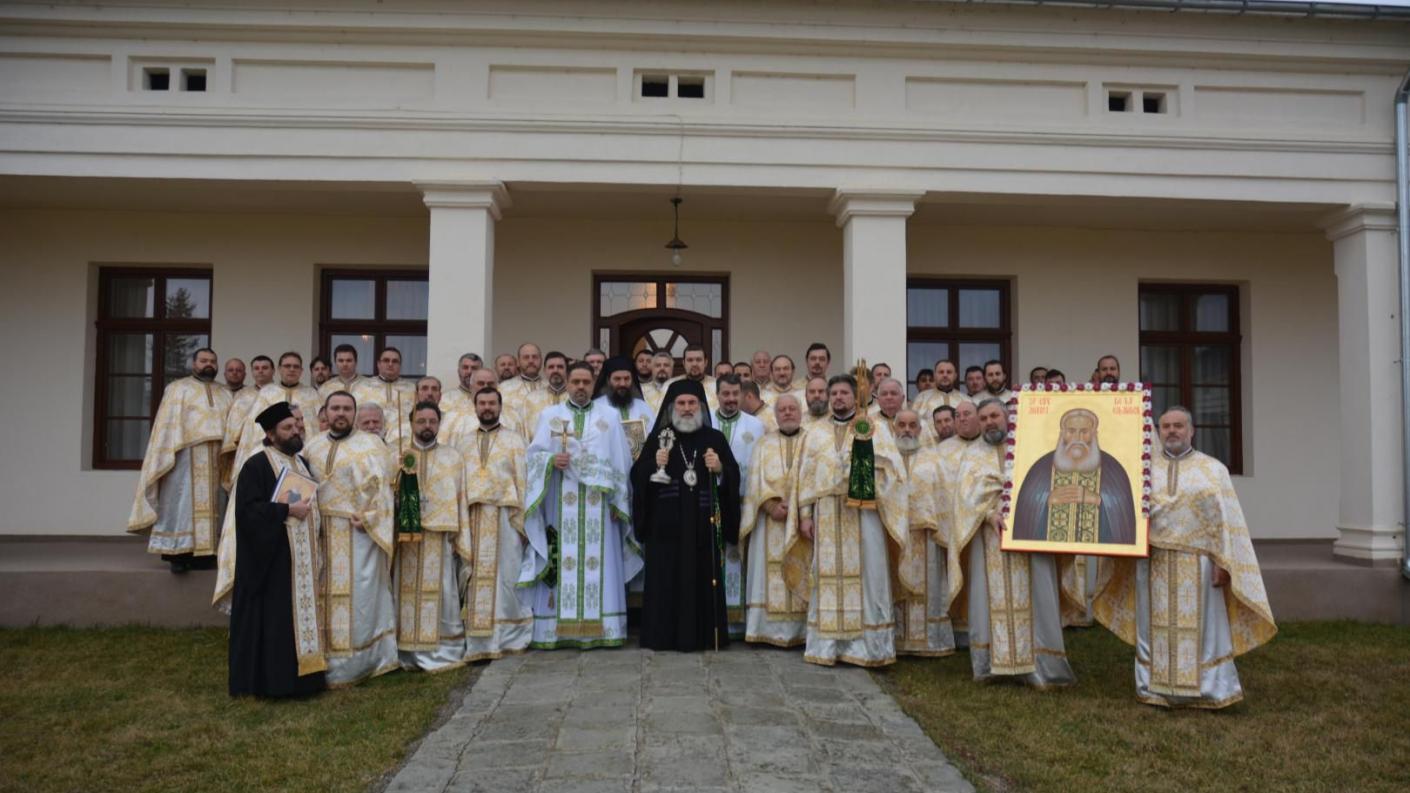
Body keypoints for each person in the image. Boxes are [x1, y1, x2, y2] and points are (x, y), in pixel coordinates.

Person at [1094, 407, 1276, 709]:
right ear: (1158, 431)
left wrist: (1224, 564)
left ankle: (1209, 689)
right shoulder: (1143, 470)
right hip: (1153, 561)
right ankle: (1153, 688)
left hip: (1199, 565)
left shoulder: (1213, 470)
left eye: (1178, 425)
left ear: (1191, 431)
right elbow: (1125, 512)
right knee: (1152, 626)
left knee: (1205, 631)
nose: (1172, 431)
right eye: (1165, 426)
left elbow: (1228, 521)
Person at [949, 398, 1074, 687]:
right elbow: (964, 499)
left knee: (1036, 593)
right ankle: (994, 665)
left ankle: (1041, 665)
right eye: (983, 418)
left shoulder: (1029, 449)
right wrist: (988, 513)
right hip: (990, 539)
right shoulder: (972, 456)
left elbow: (1049, 483)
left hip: (1031, 536)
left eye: (994, 416)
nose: (989, 422)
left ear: (1007, 417)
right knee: (989, 596)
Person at [521, 362, 639, 648]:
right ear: (567, 383)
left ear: (594, 383)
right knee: (562, 561)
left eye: (586, 382)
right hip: (560, 506)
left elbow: (621, 462)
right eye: (576, 382)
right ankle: (554, 630)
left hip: (601, 508)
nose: (581, 387)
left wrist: (620, 502)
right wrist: (551, 460)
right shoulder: (550, 416)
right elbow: (533, 457)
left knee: (601, 563)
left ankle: (604, 629)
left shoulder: (609, 417)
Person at [794, 374, 906, 667]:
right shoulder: (815, 433)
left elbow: (893, 470)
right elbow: (805, 476)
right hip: (827, 512)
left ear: (856, 397)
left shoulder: (873, 427)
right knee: (825, 578)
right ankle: (826, 647)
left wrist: (865, 477)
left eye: (844, 393)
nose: (838, 398)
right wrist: (805, 515)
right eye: (834, 393)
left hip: (864, 512)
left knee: (869, 574)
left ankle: (867, 649)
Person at [630, 379, 741, 651]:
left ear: (701, 406)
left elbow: (733, 475)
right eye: (681, 403)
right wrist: (653, 465)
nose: (687, 408)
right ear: (672, 407)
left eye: (692, 403)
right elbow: (637, 475)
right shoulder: (660, 437)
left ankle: (704, 637)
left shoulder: (714, 439)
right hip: (666, 528)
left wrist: (720, 469)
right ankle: (663, 637)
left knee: (701, 579)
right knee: (666, 580)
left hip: (703, 527)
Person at [228, 401, 327, 698]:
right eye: (287, 428)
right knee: (277, 621)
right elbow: (247, 513)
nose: (296, 431)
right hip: (273, 562)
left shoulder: (302, 463)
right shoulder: (256, 465)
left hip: (302, 560)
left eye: (297, 426)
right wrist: (285, 510)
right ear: (271, 434)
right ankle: (277, 683)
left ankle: (307, 681)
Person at [303, 392, 398, 684]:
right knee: (322, 595)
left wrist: (371, 517)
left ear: (354, 414)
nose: (341, 413)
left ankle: (362, 661)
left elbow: (384, 489)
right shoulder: (312, 446)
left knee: (361, 595)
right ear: (326, 412)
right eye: (335, 408)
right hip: (321, 532)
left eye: (346, 408)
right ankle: (322, 659)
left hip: (359, 534)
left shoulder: (372, 445)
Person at [128, 347, 233, 572]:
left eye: (212, 361)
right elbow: (167, 426)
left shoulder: (225, 392)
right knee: (182, 503)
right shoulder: (177, 389)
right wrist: (168, 453)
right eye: (203, 360)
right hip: (185, 456)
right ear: (193, 364)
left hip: (216, 457)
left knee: (215, 505)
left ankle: (205, 555)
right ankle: (177, 553)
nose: (208, 364)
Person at [390, 401, 468, 673]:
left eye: (432, 421)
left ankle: (443, 648)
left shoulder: (453, 457)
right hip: (404, 539)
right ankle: (406, 650)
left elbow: (460, 498)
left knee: (441, 592)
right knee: (404, 593)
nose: (427, 426)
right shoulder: (396, 454)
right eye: (421, 421)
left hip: (438, 537)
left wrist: (459, 535)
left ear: (439, 424)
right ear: (411, 423)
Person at [460, 387, 533, 661]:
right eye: (482, 403)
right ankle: (479, 642)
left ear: (500, 407)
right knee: (474, 577)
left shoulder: (515, 440)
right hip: (472, 518)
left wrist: (524, 521)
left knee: (507, 576)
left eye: (492, 403)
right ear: (475, 406)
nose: (487, 407)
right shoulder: (463, 443)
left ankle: (510, 636)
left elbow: (524, 479)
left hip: (505, 518)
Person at [740, 394, 810, 647]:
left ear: (800, 412)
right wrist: (770, 506)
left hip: (803, 521)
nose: (788, 413)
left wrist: (801, 509)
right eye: (782, 410)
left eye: (792, 408)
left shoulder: (812, 442)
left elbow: (816, 477)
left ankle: (803, 631)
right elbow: (754, 481)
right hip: (769, 522)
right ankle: (766, 631)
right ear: (776, 415)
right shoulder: (763, 444)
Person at [1011, 408, 1137, 545]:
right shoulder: (1041, 468)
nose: (1077, 438)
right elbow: (1026, 510)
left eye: (1084, 432)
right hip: (1049, 555)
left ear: (1094, 434)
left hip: (1098, 556)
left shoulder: (1113, 469)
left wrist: (1097, 500)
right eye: (1071, 431)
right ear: (1062, 433)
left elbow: (1123, 516)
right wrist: (1046, 501)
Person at [892, 409, 955, 657]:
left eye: (912, 425)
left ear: (920, 429)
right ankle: (895, 640)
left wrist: (941, 528)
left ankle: (930, 641)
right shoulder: (887, 459)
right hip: (894, 535)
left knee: (930, 587)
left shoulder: (934, 460)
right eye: (902, 425)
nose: (907, 430)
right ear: (894, 428)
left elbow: (944, 498)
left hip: (927, 537)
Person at [715, 375, 765, 639]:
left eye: (735, 394)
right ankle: (714, 617)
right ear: (717, 395)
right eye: (726, 394)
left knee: (740, 558)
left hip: (744, 503)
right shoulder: (707, 422)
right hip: (712, 504)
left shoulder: (756, 426)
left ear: (743, 395)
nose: (731, 399)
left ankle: (739, 622)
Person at [593, 356, 655, 461]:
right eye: (617, 379)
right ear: (608, 380)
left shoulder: (643, 407)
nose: (623, 384)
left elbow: (653, 437)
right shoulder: (596, 407)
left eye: (627, 379)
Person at [443, 367, 519, 446]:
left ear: (497, 387)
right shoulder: (453, 416)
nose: (485, 387)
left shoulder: (512, 415)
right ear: (471, 386)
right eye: (481, 383)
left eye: (490, 384)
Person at [368, 347, 417, 450]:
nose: (390, 364)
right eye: (386, 360)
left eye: (395, 361)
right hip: (370, 442)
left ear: (400, 365)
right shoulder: (363, 387)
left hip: (404, 444)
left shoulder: (412, 389)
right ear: (378, 364)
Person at [438, 353, 483, 434]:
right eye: (465, 367)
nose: (469, 371)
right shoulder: (444, 399)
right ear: (458, 371)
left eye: (474, 368)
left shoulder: (490, 400)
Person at [671, 344, 719, 412]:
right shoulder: (672, 386)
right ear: (684, 363)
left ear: (705, 362)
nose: (694, 364)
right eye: (690, 360)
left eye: (698, 360)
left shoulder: (717, 385)